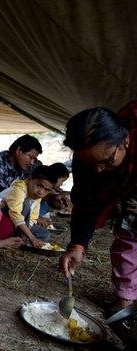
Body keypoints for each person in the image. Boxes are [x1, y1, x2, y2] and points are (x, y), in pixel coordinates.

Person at [60, 102, 137, 310]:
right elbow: (86, 201)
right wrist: (78, 245)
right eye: (92, 164)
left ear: (125, 141)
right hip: (130, 195)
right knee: (129, 232)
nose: (100, 170)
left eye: (107, 161)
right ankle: (126, 298)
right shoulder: (87, 161)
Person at [0, 165, 57, 247]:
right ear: (30, 179)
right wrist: (31, 237)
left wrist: (28, 231)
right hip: (1, 216)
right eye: (39, 186)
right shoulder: (19, 189)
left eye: (46, 190)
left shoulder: (37, 196)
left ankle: (21, 238)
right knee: (26, 203)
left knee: (45, 234)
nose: (41, 192)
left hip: (19, 222)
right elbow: (15, 214)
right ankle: (14, 238)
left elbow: (33, 218)